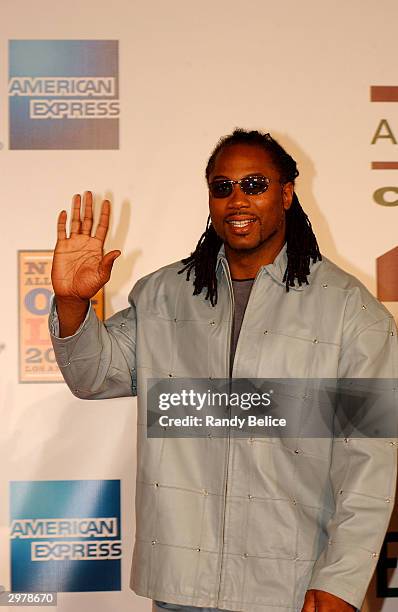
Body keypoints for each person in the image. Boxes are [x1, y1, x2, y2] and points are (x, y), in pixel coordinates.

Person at [49, 129, 397, 612]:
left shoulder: (350, 310)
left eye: (254, 184)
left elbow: (371, 458)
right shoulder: (162, 295)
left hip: (291, 586)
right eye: (222, 186)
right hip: (181, 587)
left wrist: (342, 579)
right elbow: (93, 375)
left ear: (287, 194)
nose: (237, 200)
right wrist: (71, 302)